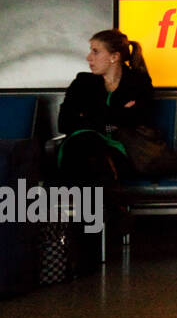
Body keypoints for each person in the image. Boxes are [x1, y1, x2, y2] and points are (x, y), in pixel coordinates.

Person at [56, 29, 153, 196]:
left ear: (114, 57)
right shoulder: (82, 83)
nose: (88, 58)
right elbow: (64, 123)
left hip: (121, 151)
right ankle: (105, 215)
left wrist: (88, 115)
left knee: (91, 159)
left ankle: (92, 217)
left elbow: (138, 119)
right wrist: (117, 115)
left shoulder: (137, 82)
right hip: (79, 148)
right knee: (86, 145)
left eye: (95, 51)